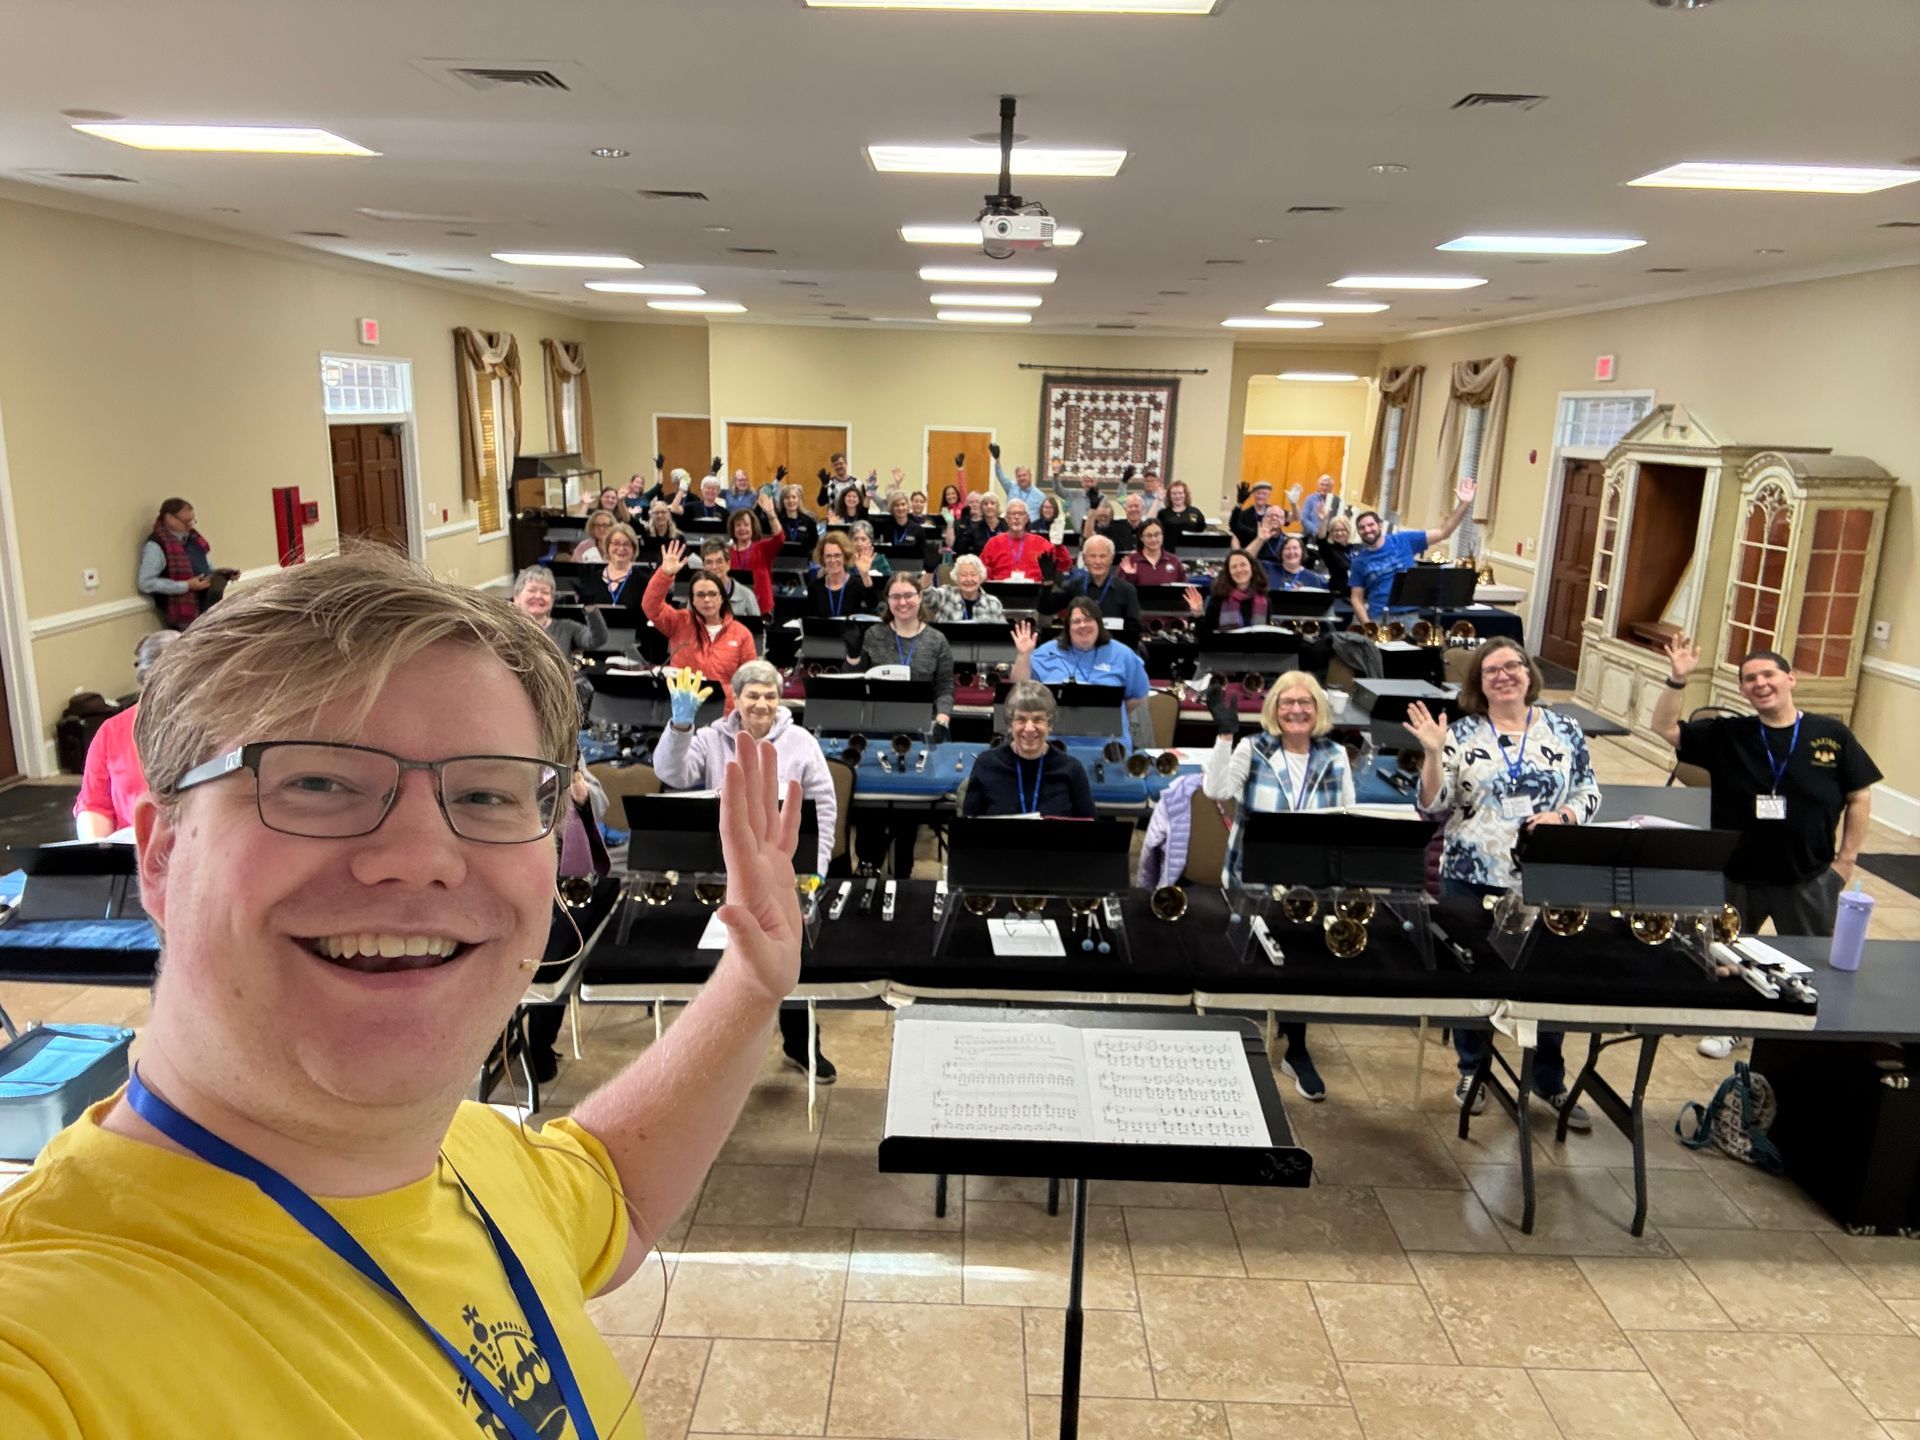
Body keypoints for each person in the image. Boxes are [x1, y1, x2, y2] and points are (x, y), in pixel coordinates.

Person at [0, 544, 806, 1438]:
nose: (421, 858)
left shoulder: (466, 1150)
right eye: (316, 781)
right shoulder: (44, 1346)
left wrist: (751, 980)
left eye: (490, 796)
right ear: (160, 853)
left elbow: (612, 1190)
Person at [1406, 638, 1601, 1128]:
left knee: (1550, 978)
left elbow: (1589, 790)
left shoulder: (1564, 728)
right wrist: (1432, 753)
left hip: (1544, 875)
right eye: (1491, 670)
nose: (1504, 675)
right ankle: (1473, 1068)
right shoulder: (1463, 732)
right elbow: (1432, 805)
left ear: (1528, 673)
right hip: (1470, 874)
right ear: (1479, 684)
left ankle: (1549, 1079)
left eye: (1512, 665)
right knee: (1471, 978)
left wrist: (1565, 813)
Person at [1654, 636, 1879, 1059]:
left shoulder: (1829, 734)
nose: (1760, 683)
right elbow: (1665, 728)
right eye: (1750, 678)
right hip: (1737, 872)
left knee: (1812, 958)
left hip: (1809, 875)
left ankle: (1803, 1032)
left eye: (1769, 674)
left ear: (1790, 678)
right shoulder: (1729, 734)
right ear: (1742, 690)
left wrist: (1846, 860)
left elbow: (1859, 797)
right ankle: (1734, 1026)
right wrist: (1678, 679)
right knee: (1729, 954)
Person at [652, 661, 837, 1081]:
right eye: (754, 695)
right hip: (722, 872)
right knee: (721, 963)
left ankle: (801, 1045)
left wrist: (818, 866)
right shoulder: (710, 738)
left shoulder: (801, 742)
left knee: (786, 959)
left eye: (770, 695)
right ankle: (719, 1057)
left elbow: (824, 807)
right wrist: (679, 728)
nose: (763, 703)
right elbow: (671, 774)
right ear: (737, 698)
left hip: (781, 872)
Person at [1202, 670, 1354, 1101]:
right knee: (1247, 957)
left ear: (1318, 709)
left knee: (1301, 963)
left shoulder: (1334, 754)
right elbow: (1215, 789)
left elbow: (1347, 813)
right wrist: (1225, 737)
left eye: (1305, 702)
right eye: (1287, 702)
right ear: (1274, 709)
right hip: (1253, 872)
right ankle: (1235, 1042)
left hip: (1311, 880)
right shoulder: (1255, 747)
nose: (1296, 710)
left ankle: (1297, 1049)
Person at [852, 576, 956, 878]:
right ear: (888, 601)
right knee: (870, 807)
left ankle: (903, 872)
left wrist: (943, 718)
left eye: (908, 595)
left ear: (920, 597)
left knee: (907, 811)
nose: (903, 602)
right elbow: (856, 679)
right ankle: (867, 867)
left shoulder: (936, 640)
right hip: (876, 730)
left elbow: (945, 687)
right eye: (896, 597)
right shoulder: (874, 634)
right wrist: (852, 654)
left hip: (917, 734)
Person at [74, 631, 180, 839]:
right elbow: (95, 805)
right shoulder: (112, 732)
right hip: (130, 851)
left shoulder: (210, 727)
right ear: (145, 682)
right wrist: (99, 853)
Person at [1010, 601, 1153, 749]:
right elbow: (1018, 691)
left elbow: (1139, 695)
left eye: (1088, 619)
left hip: (1109, 748)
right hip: (1056, 748)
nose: (1083, 625)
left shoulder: (1123, 654)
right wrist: (1023, 655)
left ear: (1099, 623)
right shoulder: (1046, 652)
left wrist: (1112, 711)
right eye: (1076, 621)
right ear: (1068, 627)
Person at [642, 540, 758, 707]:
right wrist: (664, 575)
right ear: (692, 600)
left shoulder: (741, 634)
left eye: (712, 594)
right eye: (700, 595)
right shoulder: (680, 622)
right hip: (682, 709)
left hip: (724, 713)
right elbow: (650, 606)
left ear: (722, 598)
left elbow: (750, 679)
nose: (707, 600)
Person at [1348, 478, 1476, 626]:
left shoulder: (1404, 540)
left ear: (1380, 525)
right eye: (1362, 528)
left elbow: (1443, 532)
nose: (1367, 530)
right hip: (1379, 617)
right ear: (1359, 532)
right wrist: (1368, 626)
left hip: (1409, 617)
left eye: (1371, 525)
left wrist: (1464, 504)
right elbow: (1356, 598)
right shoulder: (1359, 561)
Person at [963, 681, 1094, 818]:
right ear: (1010, 724)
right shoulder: (986, 764)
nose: (1029, 728)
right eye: (1021, 719)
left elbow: (1089, 828)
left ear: (1049, 725)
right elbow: (968, 827)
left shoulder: (1072, 769)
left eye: (1038, 720)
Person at [138, 498, 230, 630]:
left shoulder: (194, 539)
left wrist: (222, 574)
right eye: (185, 521)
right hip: (180, 612)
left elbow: (206, 567)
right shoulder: (156, 545)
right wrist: (186, 585)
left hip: (206, 606)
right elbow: (146, 583)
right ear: (169, 518)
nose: (190, 525)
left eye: (192, 521)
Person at [1043, 535, 1143, 639]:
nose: (1098, 561)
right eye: (1092, 556)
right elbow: (1046, 609)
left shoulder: (1127, 590)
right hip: (1080, 648)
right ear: (1084, 558)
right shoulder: (1073, 586)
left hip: (1114, 650)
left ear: (1112, 558)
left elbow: (1134, 631)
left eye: (1103, 556)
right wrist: (1047, 581)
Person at [512, 564, 607, 662]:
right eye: (532, 590)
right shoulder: (506, 628)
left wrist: (590, 605)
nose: (538, 596)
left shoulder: (566, 627)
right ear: (517, 597)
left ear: (552, 600)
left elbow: (598, 639)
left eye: (545, 592)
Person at [980, 499, 1069, 582]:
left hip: (1034, 592)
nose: (1017, 517)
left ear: (1026, 518)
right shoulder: (993, 543)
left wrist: (1059, 546)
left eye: (1021, 514)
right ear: (1006, 519)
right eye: (1012, 514)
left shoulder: (1041, 543)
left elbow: (1064, 565)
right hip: (1001, 592)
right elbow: (982, 572)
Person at [1183, 549, 1270, 633]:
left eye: (1243, 565)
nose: (1239, 570)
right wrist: (1198, 613)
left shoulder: (1265, 600)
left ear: (1252, 568)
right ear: (1229, 572)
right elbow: (1205, 636)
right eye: (1234, 567)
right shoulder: (1218, 598)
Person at [725, 498, 786, 615]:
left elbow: (780, 538)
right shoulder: (726, 552)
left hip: (761, 605)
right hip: (734, 605)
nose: (742, 528)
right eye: (738, 525)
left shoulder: (762, 547)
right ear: (733, 529)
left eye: (746, 524)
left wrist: (771, 515)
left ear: (753, 527)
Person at [806, 531, 879, 619]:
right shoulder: (815, 587)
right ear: (823, 558)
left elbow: (873, 604)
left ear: (845, 557)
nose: (833, 560)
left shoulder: (857, 584)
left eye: (837, 555)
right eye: (828, 556)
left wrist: (864, 574)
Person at [920, 553, 1006, 623]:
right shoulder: (946, 595)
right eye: (963, 575)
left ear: (981, 577)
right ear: (956, 577)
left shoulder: (993, 603)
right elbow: (926, 594)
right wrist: (929, 571)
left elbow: (1002, 637)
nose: (969, 579)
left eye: (973, 574)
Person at [577, 523, 644, 614]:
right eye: (616, 543)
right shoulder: (591, 580)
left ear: (634, 549)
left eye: (626, 544)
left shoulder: (643, 581)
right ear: (608, 546)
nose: (621, 548)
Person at [696, 538, 760, 618]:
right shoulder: (696, 594)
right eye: (709, 562)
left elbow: (757, 629)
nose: (714, 567)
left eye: (719, 561)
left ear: (728, 564)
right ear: (703, 566)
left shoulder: (746, 596)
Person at [1119, 517, 1186, 586]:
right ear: (1141, 538)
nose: (1153, 539)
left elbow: (1184, 590)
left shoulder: (1174, 561)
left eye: (1157, 534)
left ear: (1162, 536)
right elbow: (1121, 591)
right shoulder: (1130, 561)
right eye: (1149, 535)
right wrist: (1130, 577)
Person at [989, 443, 1048, 518]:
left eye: (1024, 475)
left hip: (1030, 528)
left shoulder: (1040, 496)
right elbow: (1000, 475)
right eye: (1019, 476)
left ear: (1030, 476)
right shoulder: (1011, 487)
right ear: (1016, 478)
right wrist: (997, 458)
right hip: (1010, 526)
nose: (1022, 478)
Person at [1158, 480, 1207, 554]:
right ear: (1169, 496)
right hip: (1169, 553)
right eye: (1174, 494)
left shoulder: (1195, 512)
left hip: (1191, 553)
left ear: (1185, 495)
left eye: (1180, 493)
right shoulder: (1163, 513)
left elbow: (1201, 531)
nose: (1177, 496)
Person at [1229, 480, 1280, 547]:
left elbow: (1291, 518)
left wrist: (1293, 504)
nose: (1261, 496)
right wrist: (1239, 503)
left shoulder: (1274, 511)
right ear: (1253, 494)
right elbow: (1234, 527)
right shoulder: (1245, 516)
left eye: (1264, 494)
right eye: (1258, 493)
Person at [1316, 513, 1356, 597]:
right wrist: (1322, 521)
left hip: (1360, 594)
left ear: (1348, 530)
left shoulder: (1357, 548)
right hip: (1340, 595)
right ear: (1331, 533)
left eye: (1342, 530)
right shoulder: (1329, 550)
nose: (1339, 533)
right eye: (1335, 530)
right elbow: (1321, 540)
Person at [773, 482, 818, 552]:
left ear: (799, 500)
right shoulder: (776, 520)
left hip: (803, 560)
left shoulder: (809, 521)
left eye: (794, 497)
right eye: (787, 498)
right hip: (780, 559)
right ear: (782, 501)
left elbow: (814, 546)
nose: (791, 501)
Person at [1300, 474, 1340, 538]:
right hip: (1311, 535)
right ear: (1318, 486)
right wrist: (1316, 530)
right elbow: (1304, 519)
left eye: (1327, 485)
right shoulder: (1310, 499)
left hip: (1330, 537)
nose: (1324, 487)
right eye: (1322, 484)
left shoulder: (1336, 500)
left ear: (1331, 487)